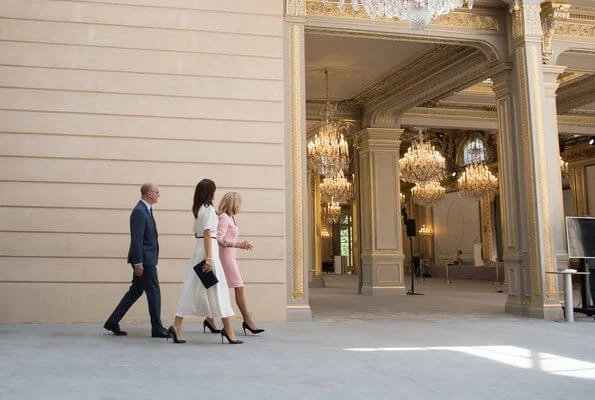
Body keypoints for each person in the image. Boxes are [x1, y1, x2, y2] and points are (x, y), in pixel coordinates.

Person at [169, 179, 242, 344]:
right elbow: (208, 233)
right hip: (209, 253)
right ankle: (229, 332)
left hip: (199, 250)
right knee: (219, 289)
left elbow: (197, 234)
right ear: (211, 192)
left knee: (191, 288)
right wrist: (209, 258)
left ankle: (176, 326)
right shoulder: (209, 210)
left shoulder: (199, 209)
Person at [103, 183, 169, 338]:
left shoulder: (145, 210)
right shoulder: (140, 211)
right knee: (154, 292)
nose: (159, 194)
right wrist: (138, 262)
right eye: (156, 192)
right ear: (148, 194)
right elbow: (137, 239)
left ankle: (112, 322)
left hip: (146, 258)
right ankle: (157, 329)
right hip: (144, 261)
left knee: (135, 292)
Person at [212, 192, 264, 335]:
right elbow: (218, 239)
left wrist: (239, 245)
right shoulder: (223, 217)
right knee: (239, 287)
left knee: (218, 288)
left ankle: (209, 319)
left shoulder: (231, 217)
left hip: (230, 257)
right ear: (232, 204)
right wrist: (238, 244)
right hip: (226, 258)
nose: (239, 207)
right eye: (237, 204)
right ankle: (247, 320)